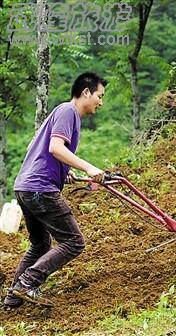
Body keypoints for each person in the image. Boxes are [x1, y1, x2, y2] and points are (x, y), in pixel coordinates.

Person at [2, 72, 107, 309]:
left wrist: (62, 172)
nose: (101, 102)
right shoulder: (68, 111)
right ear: (86, 92)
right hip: (40, 189)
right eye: (100, 96)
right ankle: (27, 283)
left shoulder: (61, 113)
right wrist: (89, 167)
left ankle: (12, 299)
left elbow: (35, 145)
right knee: (74, 242)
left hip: (25, 187)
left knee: (40, 245)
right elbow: (55, 147)